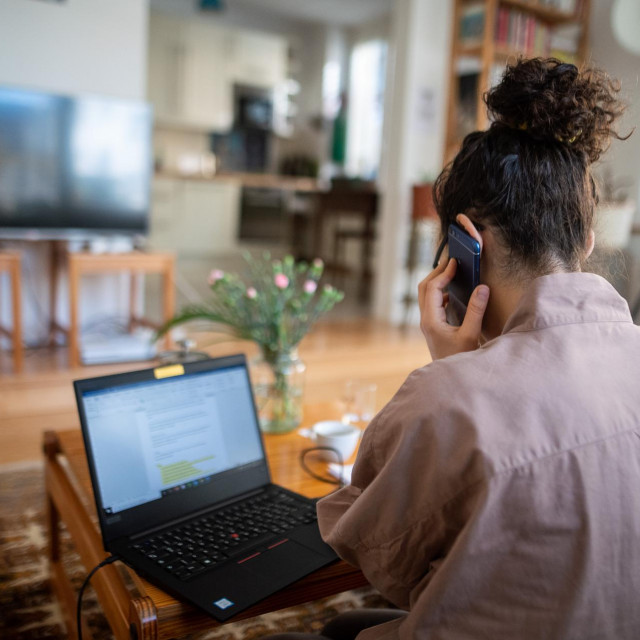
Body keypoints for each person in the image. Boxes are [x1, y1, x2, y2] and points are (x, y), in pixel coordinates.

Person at [261, 57, 640, 639]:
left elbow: (369, 549)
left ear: (465, 240)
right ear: (586, 240)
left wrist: (460, 373)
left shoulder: (445, 400)